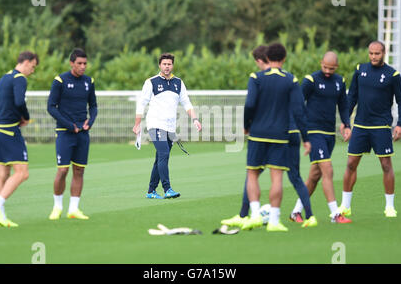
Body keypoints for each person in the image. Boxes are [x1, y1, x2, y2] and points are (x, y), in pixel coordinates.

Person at [221, 45, 317, 229]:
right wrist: (306, 139)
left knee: (252, 174)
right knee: (277, 178)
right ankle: (274, 221)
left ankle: (255, 215)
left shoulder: (256, 78)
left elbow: (249, 104)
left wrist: (246, 125)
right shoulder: (290, 80)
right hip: (280, 135)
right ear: (284, 58)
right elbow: (299, 111)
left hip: (257, 133)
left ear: (266, 57)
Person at [339, 41, 401, 218]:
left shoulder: (392, 74)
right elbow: (351, 96)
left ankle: (390, 207)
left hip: (381, 126)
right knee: (351, 164)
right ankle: (345, 206)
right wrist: (346, 122)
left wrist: (400, 123)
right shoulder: (360, 70)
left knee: (386, 165)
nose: (373, 56)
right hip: (360, 125)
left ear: (384, 53)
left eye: (377, 53)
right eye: (371, 53)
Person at [289, 52, 352, 224]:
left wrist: (347, 125)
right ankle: (335, 214)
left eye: (331, 68)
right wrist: (299, 129)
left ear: (336, 67)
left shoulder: (340, 81)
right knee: (328, 169)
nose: (327, 71)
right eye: (325, 67)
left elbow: (344, 105)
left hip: (329, 134)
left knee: (314, 176)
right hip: (313, 131)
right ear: (320, 62)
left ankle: (295, 212)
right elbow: (298, 104)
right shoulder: (311, 80)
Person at [133, 53, 202, 199]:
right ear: (159, 65)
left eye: (169, 64)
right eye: (164, 64)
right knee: (164, 154)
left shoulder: (179, 83)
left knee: (160, 158)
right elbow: (142, 103)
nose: (167, 66)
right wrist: (137, 124)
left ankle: (151, 191)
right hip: (155, 124)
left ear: (172, 65)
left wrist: (195, 119)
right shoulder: (151, 82)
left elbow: (187, 103)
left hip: (170, 127)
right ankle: (167, 189)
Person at [0, 51, 39, 227]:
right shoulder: (20, 79)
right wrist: (25, 117)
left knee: (2, 174)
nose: (32, 71)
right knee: (22, 173)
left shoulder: (4, 77)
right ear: (27, 62)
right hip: (9, 130)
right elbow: (19, 101)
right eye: (33, 66)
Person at [47, 48, 98, 220]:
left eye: (85, 63)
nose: (83, 66)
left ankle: (74, 209)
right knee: (62, 170)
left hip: (83, 134)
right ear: (71, 63)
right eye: (79, 63)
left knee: (79, 171)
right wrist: (69, 125)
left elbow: (94, 106)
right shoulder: (60, 80)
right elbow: (51, 107)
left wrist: (89, 123)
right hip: (65, 132)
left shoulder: (89, 81)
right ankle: (57, 207)